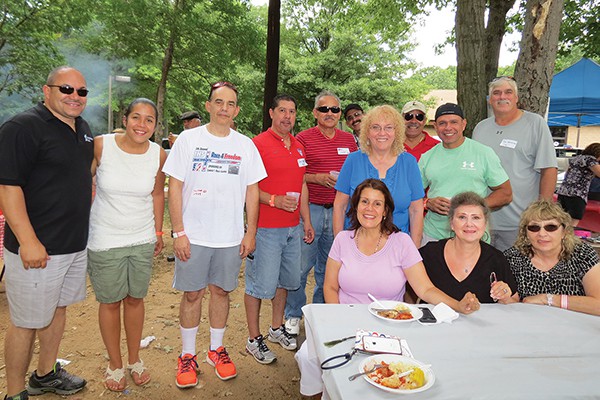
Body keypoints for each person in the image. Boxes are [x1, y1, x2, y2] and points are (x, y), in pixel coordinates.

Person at [297, 179, 480, 398]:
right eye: (364, 202)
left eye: (377, 204)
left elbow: (425, 289)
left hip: (389, 326)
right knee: (308, 356)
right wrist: (340, 321)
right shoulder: (343, 240)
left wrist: (457, 305)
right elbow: (330, 286)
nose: (370, 209)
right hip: (346, 321)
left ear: (385, 211)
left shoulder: (401, 242)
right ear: (355, 206)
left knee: (386, 373)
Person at [163, 81, 266, 387]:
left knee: (221, 292)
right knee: (193, 294)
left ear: (237, 110)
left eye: (230, 104)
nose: (224, 108)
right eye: (219, 102)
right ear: (208, 106)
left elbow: (252, 191)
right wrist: (179, 232)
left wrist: (250, 232)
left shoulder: (245, 145)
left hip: (230, 237)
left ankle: (216, 350)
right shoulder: (188, 140)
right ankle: (187, 354)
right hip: (194, 236)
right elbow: (175, 187)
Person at [0, 66, 93, 399]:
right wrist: (28, 241)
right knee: (25, 322)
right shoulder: (22, 127)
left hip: (73, 245)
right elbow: (8, 187)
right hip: (37, 248)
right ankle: (14, 393)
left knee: (58, 309)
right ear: (47, 90)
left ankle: (45, 374)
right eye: (66, 89)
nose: (75, 96)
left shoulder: (83, 128)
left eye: (81, 92)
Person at [87, 98, 167, 391]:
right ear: (125, 119)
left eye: (149, 120)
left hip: (142, 237)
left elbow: (157, 193)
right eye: (136, 117)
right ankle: (115, 363)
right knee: (109, 302)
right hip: (105, 238)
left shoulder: (158, 154)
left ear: (155, 126)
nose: (141, 125)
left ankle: (134, 359)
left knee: (135, 299)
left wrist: (158, 232)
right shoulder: (101, 145)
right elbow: (78, 182)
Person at [244, 94, 315, 364]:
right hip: (266, 228)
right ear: (271, 113)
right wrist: (274, 200)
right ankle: (254, 339)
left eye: (292, 111)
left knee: (286, 281)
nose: (287, 116)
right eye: (282, 110)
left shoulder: (298, 146)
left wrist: (306, 220)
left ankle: (276, 328)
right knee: (258, 286)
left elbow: (302, 184)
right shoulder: (257, 145)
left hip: (293, 228)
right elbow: (248, 187)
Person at [284, 90, 357, 336]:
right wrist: (318, 178)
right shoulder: (303, 138)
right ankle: (293, 315)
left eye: (334, 109)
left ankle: (321, 315)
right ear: (315, 113)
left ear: (340, 113)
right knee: (300, 267)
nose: (329, 113)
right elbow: (295, 174)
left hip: (340, 212)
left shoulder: (349, 141)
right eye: (324, 109)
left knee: (329, 268)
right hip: (311, 210)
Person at [473, 76, 558, 251]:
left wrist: (543, 211)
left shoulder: (535, 124)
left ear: (516, 97)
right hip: (483, 221)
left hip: (521, 221)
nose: (502, 96)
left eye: (508, 92)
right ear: (489, 100)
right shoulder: (480, 128)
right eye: (496, 93)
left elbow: (549, 169)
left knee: (518, 268)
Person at [419, 103, 512, 244]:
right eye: (442, 123)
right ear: (435, 126)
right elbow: (412, 196)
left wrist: (475, 207)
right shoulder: (427, 157)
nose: (448, 127)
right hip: (434, 235)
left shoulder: (483, 153)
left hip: (473, 233)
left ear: (463, 124)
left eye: (454, 122)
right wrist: (428, 203)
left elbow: (506, 193)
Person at [333, 105, 424, 247]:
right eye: (375, 127)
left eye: (389, 127)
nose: (382, 133)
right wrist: (339, 245)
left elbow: (416, 210)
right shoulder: (353, 160)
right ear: (367, 132)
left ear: (397, 132)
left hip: (398, 246)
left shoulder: (409, 162)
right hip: (356, 244)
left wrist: (414, 249)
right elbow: (340, 206)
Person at [504, 200, 600, 316]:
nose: (542, 234)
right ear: (525, 233)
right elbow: (508, 305)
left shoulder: (583, 254)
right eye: (534, 227)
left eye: (551, 227)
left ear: (564, 231)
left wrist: (548, 299)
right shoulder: (512, 258)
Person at [420, 192, 519, 304]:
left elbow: (514, 301)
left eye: (476, 218)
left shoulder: (497, 259)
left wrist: (504, 297)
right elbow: (410, 297)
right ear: (451, 223)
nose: (469, 224)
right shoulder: (429, 253)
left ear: (485, 224)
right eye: (462, 217)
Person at [556, 143, 600, 225]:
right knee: (573, 221)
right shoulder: (590, 159)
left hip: (563, 192)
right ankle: (568, 233)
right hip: (577, 194)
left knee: (561, 220)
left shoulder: (577, 158)